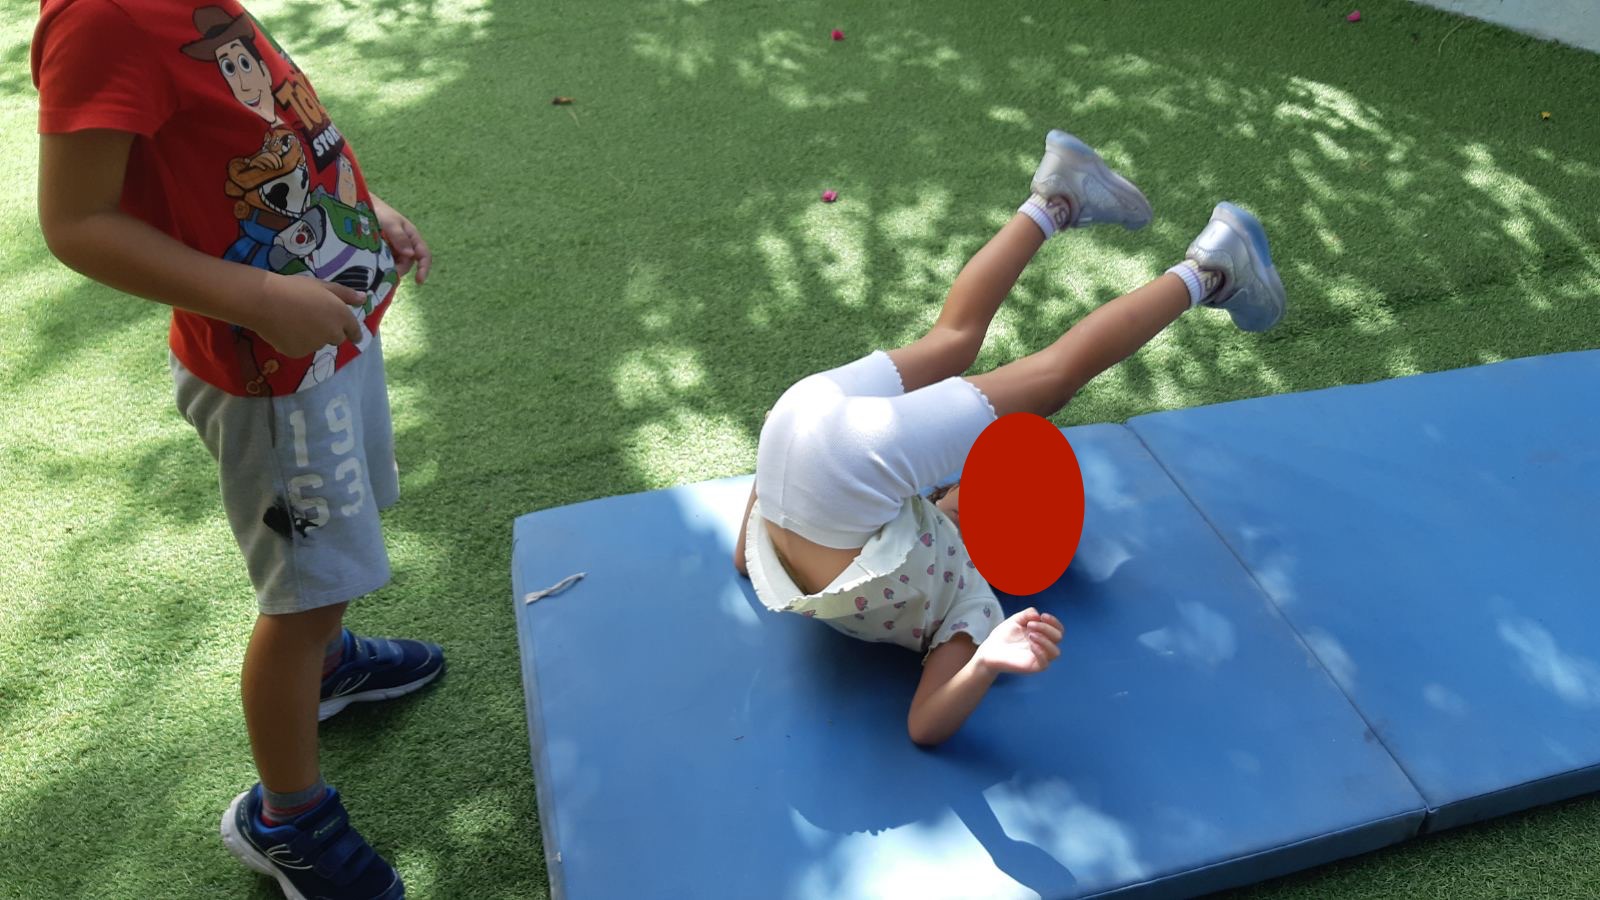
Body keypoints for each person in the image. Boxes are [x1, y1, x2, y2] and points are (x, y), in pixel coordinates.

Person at [33, 3, 445, 897]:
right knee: (301, 600)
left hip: (324, 340)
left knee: (331, 565)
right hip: (270, 377)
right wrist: (260, 298)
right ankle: (286, 818)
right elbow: (75, 223)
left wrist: (362, 209)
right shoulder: (100, 18)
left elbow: (274, 134)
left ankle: (326, 670)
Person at [735, 130, 1285, 747]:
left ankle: (1091, 215)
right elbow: (753, 557)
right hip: (797, 441)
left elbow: (923, 723)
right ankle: (1188, 261)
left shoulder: (958, 584)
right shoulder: (966, 600)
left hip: (811, 429)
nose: (968, 479)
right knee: (1039, 374)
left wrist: (987, 660)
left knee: (967, 346)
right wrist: (985, 661)